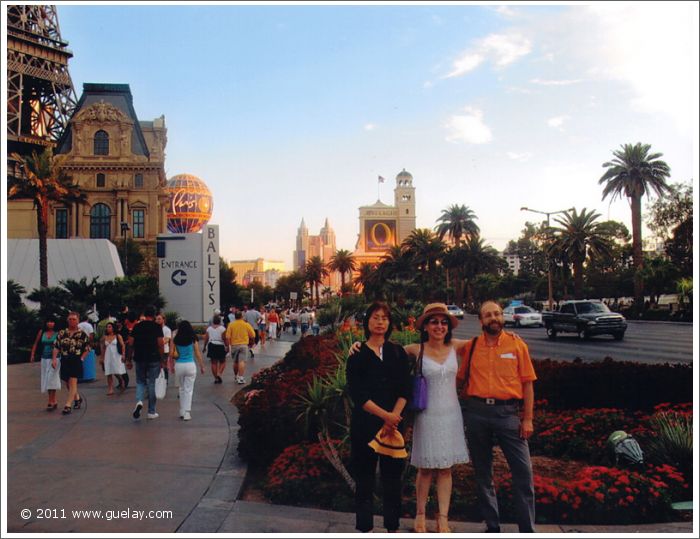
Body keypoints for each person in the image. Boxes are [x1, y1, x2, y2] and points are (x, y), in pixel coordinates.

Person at [456, 300, 537, 533]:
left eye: (497, 314)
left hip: (508, 414)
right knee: (483, 473)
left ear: (503, 317)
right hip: (477, 413)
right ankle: (492, 527)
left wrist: (528, 418)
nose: (494, 318)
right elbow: (459, 378)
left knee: (523, 473)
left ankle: (527, 529)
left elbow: (528, 384)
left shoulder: (517, 345)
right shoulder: (472, 347)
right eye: (488, 315)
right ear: (480, 321)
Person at [346, 302, 412, 533]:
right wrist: (386, 416)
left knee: (392, 481)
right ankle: (364, 528)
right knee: (364, 480)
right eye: (375, 317)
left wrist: (394, 417)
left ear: (390, 323)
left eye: (385, 318)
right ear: (367, 322)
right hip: (366, 425)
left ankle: (392, 527)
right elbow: (358, 394)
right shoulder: (357, 355)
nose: (380, 322)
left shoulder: (397, 352)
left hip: (393, 428)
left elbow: (406, 388)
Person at [406, 303, 471, 533]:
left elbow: (489, 342)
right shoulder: (414, 349)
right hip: (427, 416)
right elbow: (383, 352)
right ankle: (420, 514)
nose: (439, 326)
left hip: (451, 415)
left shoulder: (456, 346)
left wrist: (509, 335)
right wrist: (357, 345)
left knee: (445, 469)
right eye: (434, 321)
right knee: (425, 468)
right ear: (424, 325)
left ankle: (443, 517)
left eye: (443, 322)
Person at [127, 306, 164, 420]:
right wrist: (162, 359)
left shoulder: (137, 326)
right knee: (152, 383)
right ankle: (151, 411)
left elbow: (130, 343)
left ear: (144, 314)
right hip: (153, 358)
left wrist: (128, 359)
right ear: (153, 316)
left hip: (139, 358)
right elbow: (160, 344)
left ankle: (139, 401)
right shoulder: (157, 327)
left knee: (140, 381)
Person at [52, 312, 90, 415]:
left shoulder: (82, 334)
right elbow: (56, 346)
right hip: (65, 359)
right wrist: (54, 359)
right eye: (70, 319)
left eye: (74, 319)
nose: (72, 321)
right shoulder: (62, 333)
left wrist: (82, 358)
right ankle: (77, 398)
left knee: (73, 382)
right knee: (67, 382)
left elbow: (87, 348)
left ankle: (68, 405)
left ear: (78, 320)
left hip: (76, 359)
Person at [169, 320, 205, 421]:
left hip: (179, 365)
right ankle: (187, 412)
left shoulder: (175, 339)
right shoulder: (193, 338)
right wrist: (202, 366)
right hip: (190, 365)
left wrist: (171, 365)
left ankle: (182, 410)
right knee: (189, 389)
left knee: (181, 389)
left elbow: (171, 353)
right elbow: (197, 353)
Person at [30, 317, 60, 411]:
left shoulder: (58, 333)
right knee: (47, 378)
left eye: (52, 321)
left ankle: (50, 401)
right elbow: (35, 343)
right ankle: (53, 400)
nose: (50, 323)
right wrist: (32, 354)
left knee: (52, 377)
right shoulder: (42, 332)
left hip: (55, 358)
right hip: (44, 358)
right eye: (48, 321)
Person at [225, 311, 255, 384]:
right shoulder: (246, 324)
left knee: (235, 362)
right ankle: (241, 377)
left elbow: (227, 337)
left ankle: (236, 376)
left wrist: (227, 346)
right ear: (242, 316)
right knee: (241, 361)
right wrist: (252, 343)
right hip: (244, 345)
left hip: (234, 345)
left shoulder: (231, 325)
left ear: (235, 316)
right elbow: (253, 335)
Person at [101, 322, 126, 395]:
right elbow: (103, 347)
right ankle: (110, 389)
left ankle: (121, 380)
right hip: (108, 356)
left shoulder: (118, 336)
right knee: (109, 372)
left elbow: (122, 345)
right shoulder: (105, 337)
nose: (108, 328)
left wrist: (123, 355)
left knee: (117, 371)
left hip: (116, 355)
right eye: (107, 327)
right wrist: (102, 358)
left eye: (109, 327)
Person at [203, 314, 228, 383]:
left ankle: (216, 378)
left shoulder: (209, 329)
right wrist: (227, 346)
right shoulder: (222, 329)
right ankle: (219, 373)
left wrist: (204, 347)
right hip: (220, 345)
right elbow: (224, 338)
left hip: (211, 345)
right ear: (220, 321)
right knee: (223, 361)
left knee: (213, 363)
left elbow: (206, 339)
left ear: (213, 321)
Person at [156, 313, 172, 383]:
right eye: (156, 319)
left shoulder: (167, 329)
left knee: (164, 365)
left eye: (159, 319)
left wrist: (158, 343)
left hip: (165, 350)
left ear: (163, 320)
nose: (157, 320)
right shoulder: (155, 329)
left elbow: (167, 340)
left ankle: (166, 380)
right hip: (156, 350)